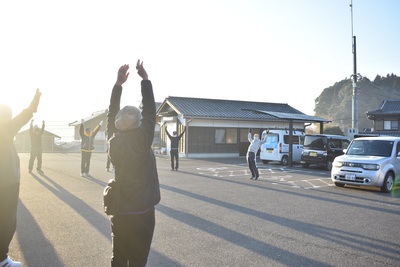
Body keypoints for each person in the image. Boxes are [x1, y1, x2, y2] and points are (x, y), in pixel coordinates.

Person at [106, 60, 160, 266]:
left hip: (119, 209)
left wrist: (118, 85)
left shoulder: (113, 138)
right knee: (138, 260)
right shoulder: (143, 139)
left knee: (118, 257)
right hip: (142, 212)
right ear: (138, 124)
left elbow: (112, 113)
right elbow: (150, 113)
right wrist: (145, 80)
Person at [0, 89, 41, 267]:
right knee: (7, 222)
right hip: (6, 183)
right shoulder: (5, 128)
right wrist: (34, 103)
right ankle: (2, 260)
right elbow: (23, 117)